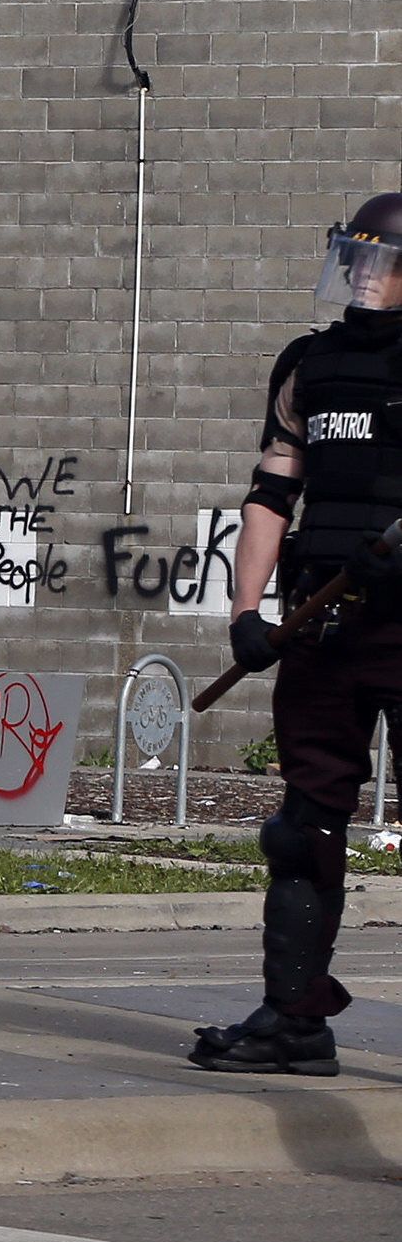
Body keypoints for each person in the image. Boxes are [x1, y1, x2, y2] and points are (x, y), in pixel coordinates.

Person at [191, 193, 402, 1076]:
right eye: (351, 258)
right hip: (324, 617)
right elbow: (273, 491)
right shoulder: (309, 365)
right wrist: (248, 609)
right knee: (302, 823)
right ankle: (292, 1017)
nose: (360, 276)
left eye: (378, 261)